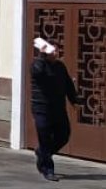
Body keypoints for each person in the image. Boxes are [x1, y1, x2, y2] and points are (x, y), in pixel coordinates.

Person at [30, 37, 82, 181]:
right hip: (41, 109)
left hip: (58, 109)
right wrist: (41, 55)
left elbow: (67, 85)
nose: (56, 53)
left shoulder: (60, 67)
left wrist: (74, 101)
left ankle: (42, 153)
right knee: (45, 138)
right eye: (53, 50)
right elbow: (37, 73)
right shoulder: (37, 65)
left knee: (64, 135)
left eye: (58, 50)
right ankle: (48, 169)